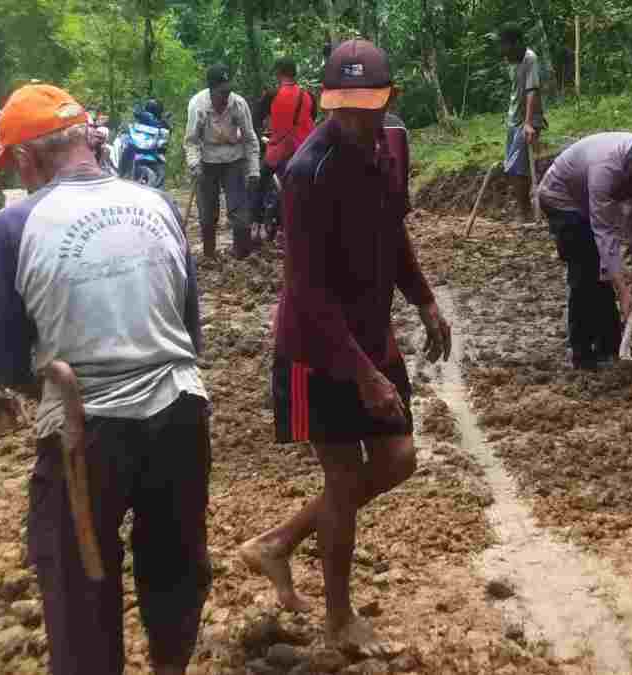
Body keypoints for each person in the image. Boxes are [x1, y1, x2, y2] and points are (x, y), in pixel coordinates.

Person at [0, 84, 211, 675]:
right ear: (86, 139)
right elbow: (190, 330)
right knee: (175, 560)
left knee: (77, 578)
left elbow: (4, 363)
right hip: (182, 412)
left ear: (27, 160)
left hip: (86, 432)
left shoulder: (15, 225)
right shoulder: (156, 203)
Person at [237, 40, 452, 655]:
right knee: (342, 478)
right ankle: (338, 618)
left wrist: (424, 299)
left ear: (389, 101)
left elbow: (394, 229)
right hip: (314, 349)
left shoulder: (390, 150)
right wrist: (361, 374)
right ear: (329, 102)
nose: (357, 120)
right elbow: (305, 291)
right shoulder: (306, 174)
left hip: (370, 335)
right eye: (345, 108)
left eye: (370, 108)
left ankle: (277, 544)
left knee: (399, 458)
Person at [537, 133, 632, 370]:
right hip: (562, 198)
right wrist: (623, 290)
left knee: (604, 275)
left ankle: (610, 348)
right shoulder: (606, 169)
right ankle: (582, 354)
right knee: (586, 272)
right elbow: (605, 233)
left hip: (588, 201)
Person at [184, 64, 261, 260]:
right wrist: (194, 164)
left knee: (239, 210)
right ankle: (209, 255)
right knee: (207, 212)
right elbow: (191, 141)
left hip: (234, 158)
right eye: (221, 92)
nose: (225, 97)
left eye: (228, 91)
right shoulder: (198, 106)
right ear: (211, 90)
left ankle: (241, 255)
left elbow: (250, 139)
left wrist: (254, 170)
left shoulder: (238, 104)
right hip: (207, 160)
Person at [251, 57, 317, 241]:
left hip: (278, 150)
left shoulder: (272, 95)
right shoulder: (309, 96)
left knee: (262, 182)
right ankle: (287, 229)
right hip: (304, 152)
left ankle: (256, 225)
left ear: (279, 73)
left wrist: (263, 137)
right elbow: (311, 119)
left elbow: (255, 119)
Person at [499, 23, 547, 222]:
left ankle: (525, 212)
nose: (503, 51)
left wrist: (528, 123)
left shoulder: (530, 59)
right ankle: (522, 208)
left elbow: (532, 91)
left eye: (506, 46)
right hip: (513, 120)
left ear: (517, 43)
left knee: (520, 166)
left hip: (527, 121)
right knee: (511, 166)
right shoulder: (512, 61)